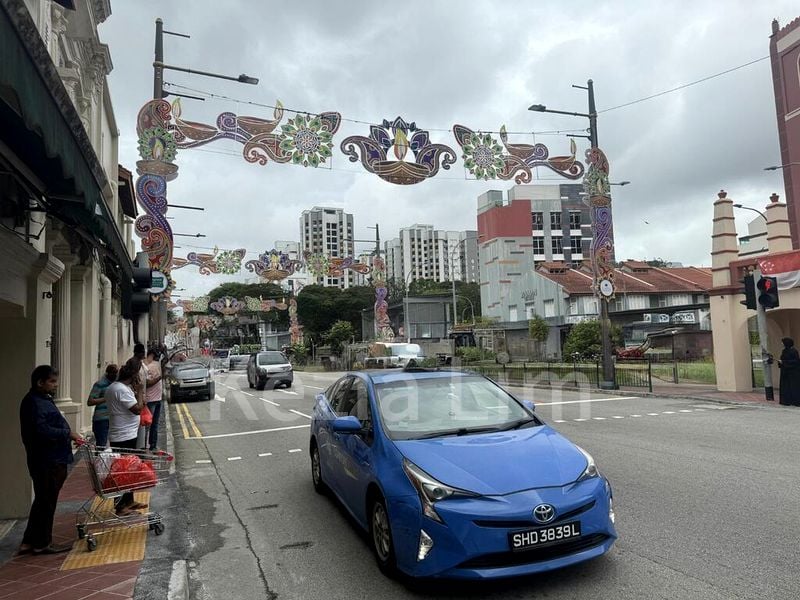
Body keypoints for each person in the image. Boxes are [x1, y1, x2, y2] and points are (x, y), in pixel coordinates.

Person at [19, 365, 84, 554]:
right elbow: (41, 430)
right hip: (47, 460)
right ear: (40, 382)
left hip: (52, 458)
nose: (56, 385)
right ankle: (42, 542)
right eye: (52, 381)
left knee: (43, 500)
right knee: (47, 501)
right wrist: (67, 433)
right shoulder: (34, 403)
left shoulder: (42, 399)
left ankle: (29, 540)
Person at [105, 363, 147, 515]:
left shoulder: (116, 387)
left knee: (128, 470)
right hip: (124, 436)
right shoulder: (121, 389)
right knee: (124, 472)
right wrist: (140, 390)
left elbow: (137, 404)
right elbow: (137, 410)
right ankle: (121, 506)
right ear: (133, 376)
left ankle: (129, 501)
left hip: (124, 434)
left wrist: (136, 393)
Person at [87, 364, 118, 447]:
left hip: (113, 418)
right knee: (102, 445)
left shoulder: (116, 384)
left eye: (116, 373)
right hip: (101, 419)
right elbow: (90, 401)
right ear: (108, 373)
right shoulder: (99, 384)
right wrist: (106, 398)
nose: (115, 375)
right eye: (113, 373)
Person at [144, 348, 163, 450]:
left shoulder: (152, 366)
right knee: (150, 424)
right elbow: (146, 383)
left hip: (155, 399)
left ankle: (151, 445)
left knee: (152, 424)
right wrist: (159, 378)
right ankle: (149, 445)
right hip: (152, 399)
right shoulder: (150, 367)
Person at [778, 337, 800, 406]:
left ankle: (795, 401)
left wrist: (784, 362)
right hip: (785, 372)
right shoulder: (784, 351)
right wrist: (780, 362)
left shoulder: (794, 351)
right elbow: (783, 358)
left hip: (793, 373)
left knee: (793, 387)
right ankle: (786, 401)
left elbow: (796, 361)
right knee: (785, 387)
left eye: (783, 342)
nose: (782, 344)